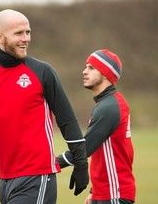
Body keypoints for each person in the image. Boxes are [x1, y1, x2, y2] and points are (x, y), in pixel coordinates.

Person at [0, 9, 89, 204]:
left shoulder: (42, 72)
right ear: (0, 37)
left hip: (36, 176)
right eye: (18, 33)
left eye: (28, 32)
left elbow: (67, 120)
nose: (26, 38)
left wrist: (81, 164)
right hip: (4, 179)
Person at [57, 49, 136, 204]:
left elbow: (84, 148)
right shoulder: (110, 103)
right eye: (86, 67)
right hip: (108, 192)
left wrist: (51, 163)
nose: (84, 72)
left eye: (91, 68)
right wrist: (96, 191)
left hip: (115, 194)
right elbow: (106, 152)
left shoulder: (109, 107)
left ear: (106, 74)